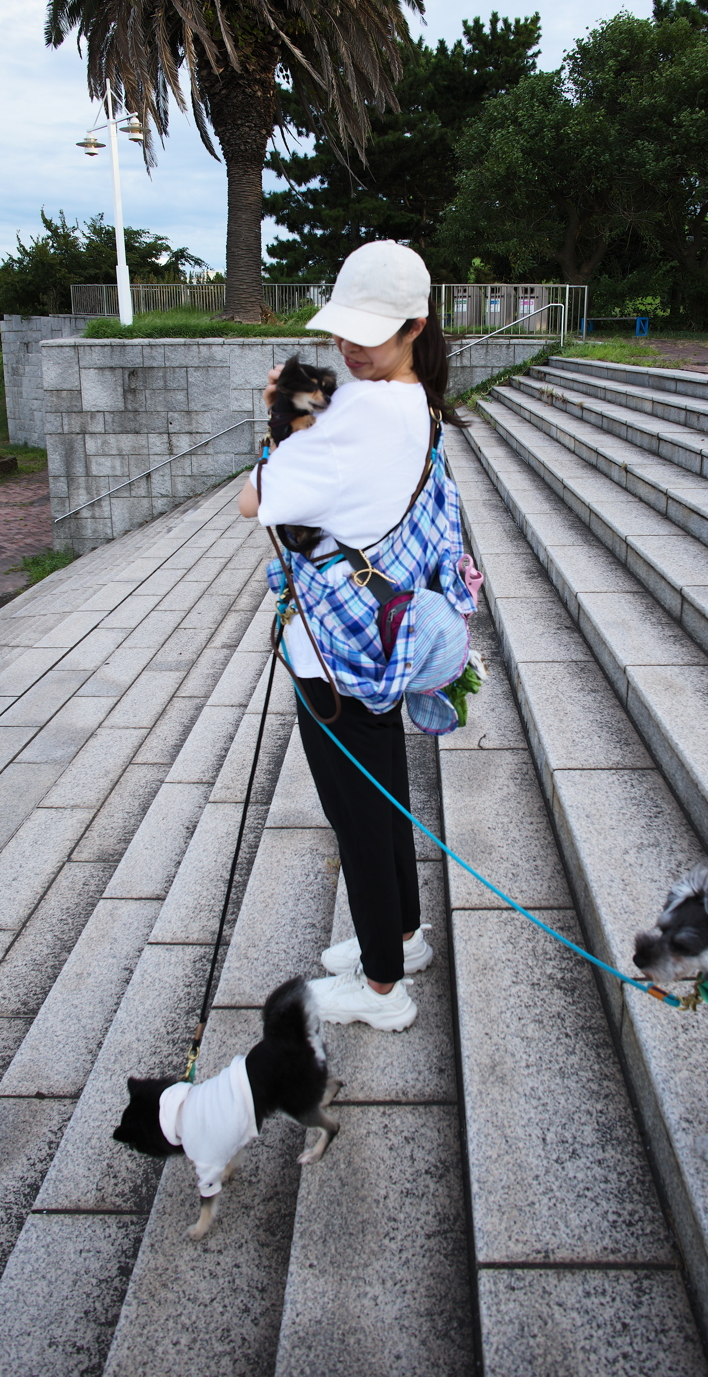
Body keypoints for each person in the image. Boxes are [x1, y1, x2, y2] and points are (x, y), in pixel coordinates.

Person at [238, 240, 477, 1031]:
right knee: (386, 797)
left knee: (360, 818)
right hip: (381, 645)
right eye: (342, 327)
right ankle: (403, 937)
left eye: (366, 330)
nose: (348, 344)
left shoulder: (359, 411)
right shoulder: (417, 399)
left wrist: (281, 425)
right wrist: (310, 422)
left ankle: (382, 988)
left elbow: (256, 500)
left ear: (416, 323)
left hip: (334, 659)